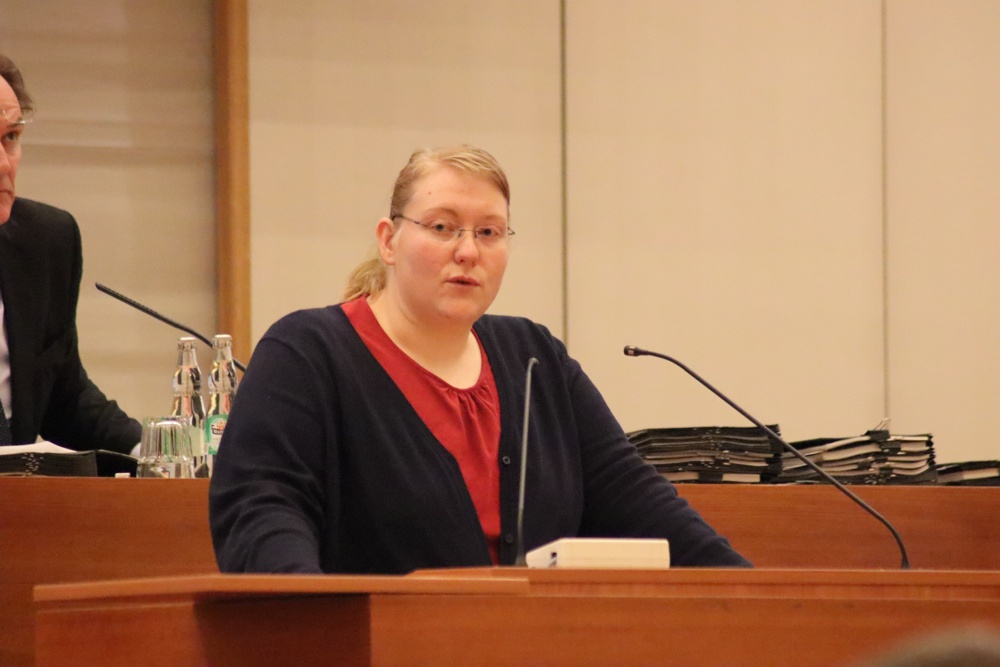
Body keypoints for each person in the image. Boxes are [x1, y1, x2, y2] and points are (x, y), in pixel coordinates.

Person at [209, 145, 751, 574]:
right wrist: (310, 620)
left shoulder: (536, 359)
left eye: (489, 232)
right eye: (442, 227)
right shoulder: (307, 354)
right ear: (388, 241)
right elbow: (262, 511)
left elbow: (639, 502)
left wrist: (755, 597)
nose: (468, 251)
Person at [0, 54, 140, 454]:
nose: (4, 164)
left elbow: (64, 398)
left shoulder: (45, 242)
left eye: (11, 137)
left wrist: (154, 452)